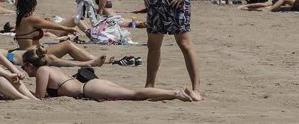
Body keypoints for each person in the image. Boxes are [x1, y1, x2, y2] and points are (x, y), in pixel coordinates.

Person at [21, 46, 193, 101]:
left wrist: (18, 90)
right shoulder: (50, 67)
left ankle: (175, 93)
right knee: (133, 93)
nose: (23, 70)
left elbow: (39, 97)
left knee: (134, 94)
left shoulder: (43, 70)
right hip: (92, 86)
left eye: (24, 67)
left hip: (89, 89)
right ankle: (173, 93)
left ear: (30, 65)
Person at [12, 0, 107, 67]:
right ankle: (94, 59)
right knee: (67, 45)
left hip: (26, 52)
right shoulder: (31, 19)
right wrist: (67, 28)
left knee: (66, 45)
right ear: (32, 5)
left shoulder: (20, 19)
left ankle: (92, 59)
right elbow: (50, 26)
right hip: (33, 54)